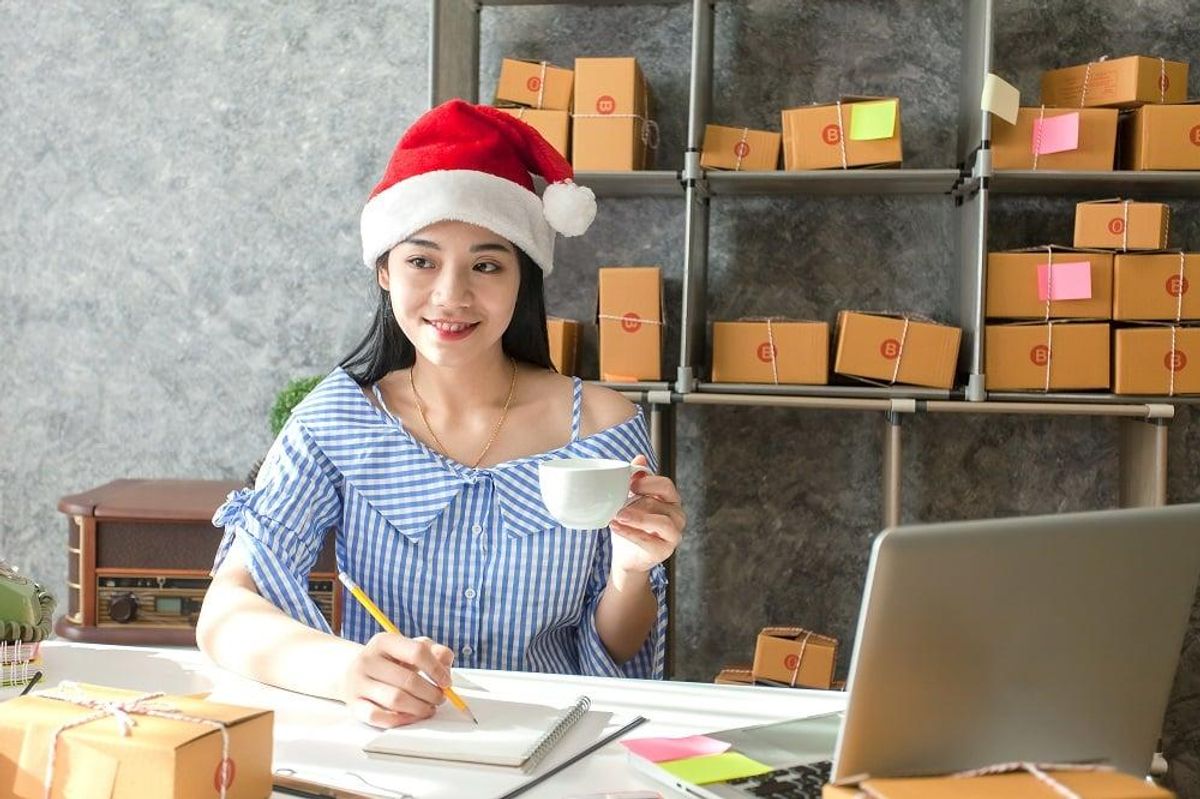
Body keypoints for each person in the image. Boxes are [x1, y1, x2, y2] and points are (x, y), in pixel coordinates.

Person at [196, 99, 686, 728]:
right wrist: (345, 671)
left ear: (523, 278)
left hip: (553, 745)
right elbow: (227, 612)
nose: (452, 295)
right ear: (384, 270)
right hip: (394, 748)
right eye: (421, 261)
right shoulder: (339, 420)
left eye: (486, 265)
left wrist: (632, 571)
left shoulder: (600, 425)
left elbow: (619, 651)